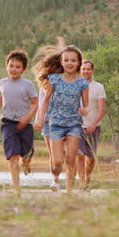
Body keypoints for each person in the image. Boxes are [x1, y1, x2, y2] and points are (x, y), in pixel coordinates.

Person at [32, 44, 89, 195]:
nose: (70, 63)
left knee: (71, 159)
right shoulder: (54, 79)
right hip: (55, 124)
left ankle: (69, 191)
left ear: (78, 63)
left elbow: (86, 105)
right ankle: (56, 180)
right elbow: (44, 102)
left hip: (74, 124)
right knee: (57, 161)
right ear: (61, 62)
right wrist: (39, 119)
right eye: (66, 60)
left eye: (73, 60)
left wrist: (85, 110)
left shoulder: (83, 83)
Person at [0, 49, 38, 198]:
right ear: (6, 66)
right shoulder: (2, 82)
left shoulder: (28, 84)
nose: (14, 69)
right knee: (13, 156)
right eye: (11, 65)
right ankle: (17, 190)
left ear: (23, 69)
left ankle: (27, 162)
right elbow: (2, 97)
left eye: (17, 66)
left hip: (25, 124)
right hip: (8, 123)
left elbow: (35, 103)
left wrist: (27, 118)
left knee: (26, 155)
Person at [78, 60, 107, 190]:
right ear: (80, 70)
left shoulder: (99, 87)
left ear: (92, 71)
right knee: (79, 154)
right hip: (77, 126)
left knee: (91, 156)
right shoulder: (75, 85)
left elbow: (102, 109)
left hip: (94, 126)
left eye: (88, 69)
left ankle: (88, 178)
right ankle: (82, 181)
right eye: (83, 69)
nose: (85, 71)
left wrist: (94, 124)